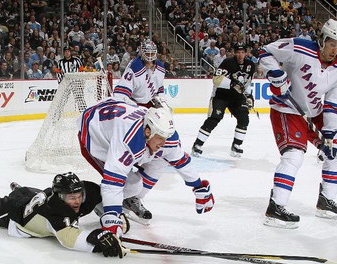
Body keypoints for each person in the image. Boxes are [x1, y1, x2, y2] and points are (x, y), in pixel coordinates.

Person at [258, 19, 337, 229]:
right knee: (294, 155)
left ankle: (326, 201)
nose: (335, 49)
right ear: (322, 39)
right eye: (331, 43)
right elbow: (266, 52)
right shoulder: (299, 47)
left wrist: (329, 133)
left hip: (315, 111)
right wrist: (274, 73)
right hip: (287, 108)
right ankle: (276, 207)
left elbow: (333, 103)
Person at [77, 97, 214, 227]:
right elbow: (112, 182)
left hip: (116, 114)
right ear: (147, 131)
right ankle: (99, 203)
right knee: (132, 183)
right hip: (94, 134)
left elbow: (180, 160)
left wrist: (199, 186)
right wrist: (112, 218)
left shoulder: (164, 135)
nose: (164, 143)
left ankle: (130, 198)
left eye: (165, 137)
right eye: (160, 137)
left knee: (161, 160)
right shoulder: (127, 141)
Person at [0, 172, 125, 258]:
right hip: (16, 212)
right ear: (60, 197)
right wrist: (96, 239)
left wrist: (113, 215)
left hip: (36, 196)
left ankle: (19, 188)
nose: (77, 201)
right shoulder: (55, 213)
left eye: (78, 196)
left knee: (30, 192)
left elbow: (108, 194)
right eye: (71, 198)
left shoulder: (84, 193)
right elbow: (68, 238)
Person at [191, 43, 256, 158]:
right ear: (234, 53)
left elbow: (247, 83)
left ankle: (236, 145)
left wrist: (249, 96)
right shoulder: (227, 62)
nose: (240, 55)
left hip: (237, 97)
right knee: (215, 118)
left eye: (242, 52)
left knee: (244, 119)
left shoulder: (250, 65)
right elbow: (216, 80)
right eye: (238, 52)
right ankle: (197, 145)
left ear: (246, 53)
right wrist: (232, 83)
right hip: (221, 95)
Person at [113, 39, 168, 109]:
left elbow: (159, 87)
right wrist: (130, 105)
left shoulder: (160, 67)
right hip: (135, 104)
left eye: (152, 53)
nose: (150, 57)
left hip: (150, 103)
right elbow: (121, 93)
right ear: (142, 53)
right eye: (147, 53)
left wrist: (160, 98)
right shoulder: (135, 67)